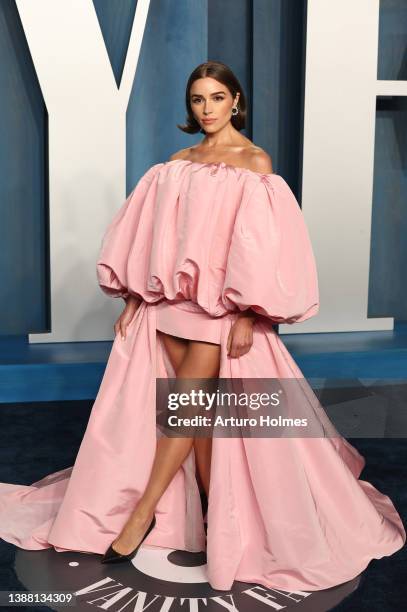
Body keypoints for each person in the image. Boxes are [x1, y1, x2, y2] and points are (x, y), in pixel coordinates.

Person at [0, 60, 405, 593]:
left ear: (236, 100)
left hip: (219, 315)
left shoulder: (255, 164)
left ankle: (141, 514)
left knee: (186, 407)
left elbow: (260, 248)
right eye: (198, 99)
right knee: (200, 419)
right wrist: (133, 298)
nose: (208, 109)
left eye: (217, 98)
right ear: (190, 106)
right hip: (169, 308)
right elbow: (153, 237)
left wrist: (246, 311)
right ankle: (216, 512)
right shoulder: (175, 165)